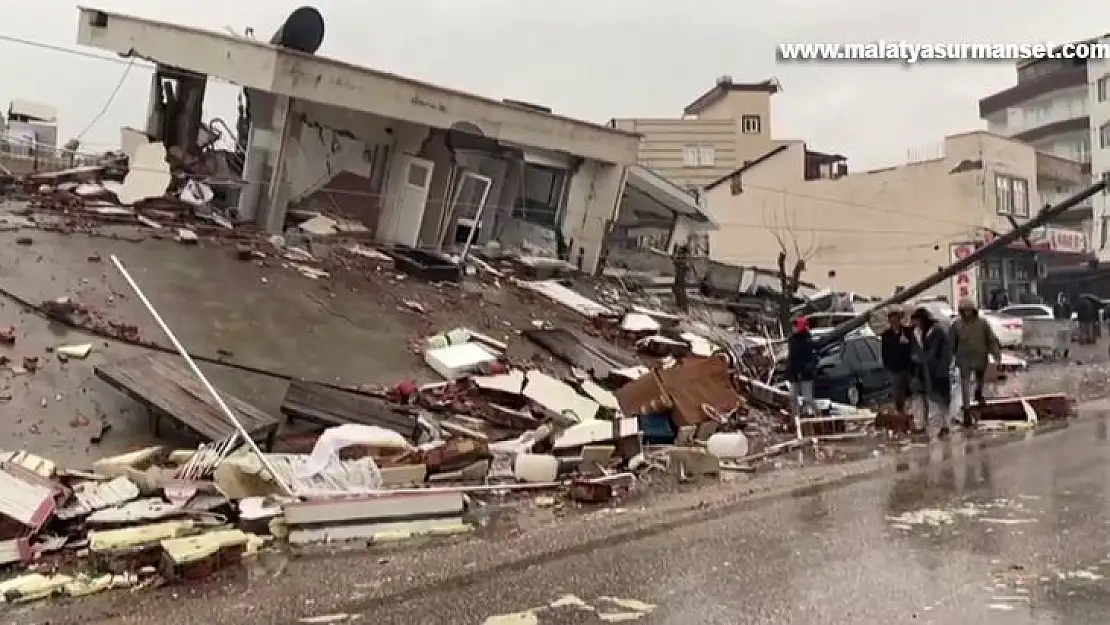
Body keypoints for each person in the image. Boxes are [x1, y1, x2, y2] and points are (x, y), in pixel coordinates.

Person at [950, 298, 1001, 428]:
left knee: (980, 379)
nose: (966, 313)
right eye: (963, 311)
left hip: (980, 356)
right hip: (964, 358)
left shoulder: (982, 324)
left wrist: (996, 355)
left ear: (973, 310)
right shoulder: (956, 325)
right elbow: (951, 344)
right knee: (965, 383)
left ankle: (979, 393)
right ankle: (966, 410)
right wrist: (948, 358)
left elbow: (991, 340)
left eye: (968, 310)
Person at [910, 307, 953, 439]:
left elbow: (934, 353)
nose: (915, 324)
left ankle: (942, 426)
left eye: (917, 321)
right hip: (926, 371)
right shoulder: (918, 333)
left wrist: (922, 358)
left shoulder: (936, 332)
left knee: (940, 399)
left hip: (938, 370)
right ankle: (939, 426)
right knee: (932, 398)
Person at [880, 307, 914, 415]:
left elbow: (913, 347)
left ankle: (910, 415)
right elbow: (884, 352)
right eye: (892, 319)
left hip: (908, 367)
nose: (894, 321)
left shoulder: (907, 332)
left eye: (896, 319)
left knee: (911, 393)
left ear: (899, 319)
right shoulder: (886, 335)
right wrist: (888, 365)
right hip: (895, 369)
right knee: (897, 393)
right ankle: (899, 414)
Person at [786, 316, 817, 418]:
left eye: (795, 326)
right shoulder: (792, 340)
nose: (793, 328)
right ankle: (796, 417)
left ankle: (812, 416)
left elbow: (809, 359)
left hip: (805, 374)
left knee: (807, 398)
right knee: (792, 397)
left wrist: (804, 369)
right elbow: (791, 358)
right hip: (794, 374)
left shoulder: (807, 341)